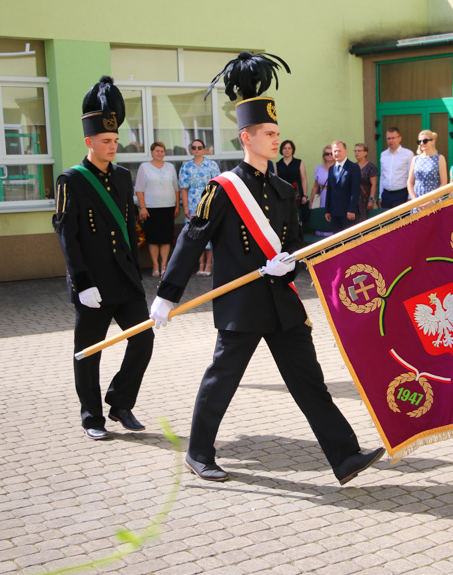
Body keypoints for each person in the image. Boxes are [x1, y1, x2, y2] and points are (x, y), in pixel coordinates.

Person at [149, 52, 384, 484]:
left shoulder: (280, 188)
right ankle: (198, 453)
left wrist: (287, 263)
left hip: (281, 302)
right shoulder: (222, 189)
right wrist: (166, 294)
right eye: (268, 133)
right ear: (246, 137)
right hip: (241, 304)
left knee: (310, 381)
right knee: (222, 380)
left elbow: (292, 242)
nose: (277, 139)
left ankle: (345, 455)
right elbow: (191, 238)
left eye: (277, 132)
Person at [53, 75, 153, 440]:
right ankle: (91, 416)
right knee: (88, 351)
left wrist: (136, 275)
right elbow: (67, 235)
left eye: (115, 140)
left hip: (124, 281)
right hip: (92, 284)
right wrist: (81, 282)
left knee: (143, 340)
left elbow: (127, 229)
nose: (113, 146)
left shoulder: (124, 177)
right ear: (89, 141)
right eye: (106, 141)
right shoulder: (71, 180)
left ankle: (120, 401)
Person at [136, 141, 180, 277]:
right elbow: (139, 189)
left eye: (162, 151)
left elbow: (176, 188)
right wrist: (142, 207)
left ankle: (164, 265)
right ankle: (155, 265)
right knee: (153, 239)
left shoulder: (170, 167)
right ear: (152, 152)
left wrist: (177, 205)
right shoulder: (144, 167)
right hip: (151, 208)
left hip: (168, 207)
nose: (160, 153)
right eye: (157, 151)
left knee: (166, 238)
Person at [179, 139, 220, 276]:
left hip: (207, 202)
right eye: (194, 147)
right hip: (192, 204)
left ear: (204, 149)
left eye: (199, 147)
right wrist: (185, 207)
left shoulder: (211, 165)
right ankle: (200, 264)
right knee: (195, 235)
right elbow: (184, 188)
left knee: (207, 233)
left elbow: (217, 187)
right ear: (191, 149)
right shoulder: (186, 166)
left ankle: (209, 265)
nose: (197, 150)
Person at [325, 140, 362, 232]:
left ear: (346, 151)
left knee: (348, 240)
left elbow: (355, 190)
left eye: (339, 150)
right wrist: (327, 210)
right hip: (334, 212)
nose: (337, 153)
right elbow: (329, 190)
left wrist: (352, 210)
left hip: (347, 212)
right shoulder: (331, 169)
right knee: (337, 241)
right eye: (334, 151)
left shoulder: (353, 167)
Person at [275, 139, 309, 232]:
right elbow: (276, 182)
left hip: (297, 196)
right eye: (285, 148)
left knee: (298, 219)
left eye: (289, 148)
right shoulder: (277, 164)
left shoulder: (299, 162)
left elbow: (304, 179)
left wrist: (305, 195)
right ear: (281, 150)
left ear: (292, 150)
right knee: (286, 219)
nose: (287, 150)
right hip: (283, 197)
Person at [378, 127, 414, 209]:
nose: (391, 141)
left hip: (401, 194)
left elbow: (411, 176)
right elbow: (382, 176)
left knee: (402, 221)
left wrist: (410, 196)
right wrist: (380, 196)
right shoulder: (383, 155)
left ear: (399, 138)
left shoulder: (408, 154)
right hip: (386, 195)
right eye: (388, 138)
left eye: (393, 138)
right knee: (387, 221)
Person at [407, 129, 447, 200]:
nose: (422, 143)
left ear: (433, 141)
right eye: (419, 141)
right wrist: (414, 200)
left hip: (435, 201)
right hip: (417, 200)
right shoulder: (415, 159)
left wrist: (432, 200)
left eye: (425, 141)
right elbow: (410, 183)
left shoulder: (440, 158)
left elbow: (444, 183)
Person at [354, 142, 378, 220]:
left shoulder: (370, 166)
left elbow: (374, 184)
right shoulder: (353, 166)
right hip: (355, 199)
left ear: (365, 152)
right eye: (355, 151)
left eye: (359, 151)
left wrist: (371, 200)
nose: (356, 153)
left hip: (365, 200)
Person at [308, 145, 334, 210]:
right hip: (323, 197)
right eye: (327, 154)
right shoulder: (319, 169)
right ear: (324, 156)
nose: (330, 155)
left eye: (332, 153)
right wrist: (311, 200)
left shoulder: (340, 169)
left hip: (335, 197)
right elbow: (316, 186)